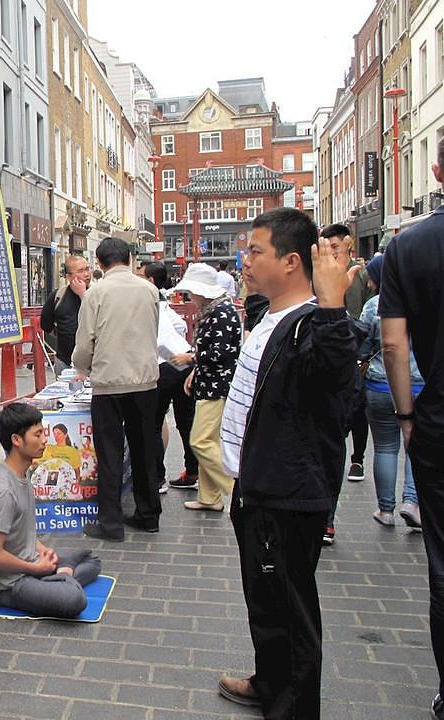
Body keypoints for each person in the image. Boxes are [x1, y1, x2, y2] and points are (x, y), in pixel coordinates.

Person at [217, 208, 358, 718]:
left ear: (292, 261)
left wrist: (335, 303)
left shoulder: (313, 326)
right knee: (265, 600)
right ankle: (269, 678)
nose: (245, 261)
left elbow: (338, 382)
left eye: (256, 251)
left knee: (290, 613)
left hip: (285, 494)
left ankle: (292, 704)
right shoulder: (268, 315)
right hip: (255, 487)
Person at [379, 137, 444, 720]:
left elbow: (394, 342)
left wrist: (406, 415)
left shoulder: (411, 245)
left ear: (437, 169)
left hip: (438, 415)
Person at [73, 236, 161, 539]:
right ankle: (149, 515)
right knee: (144, 450)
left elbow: (85, 342)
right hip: (145, 382)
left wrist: (81, 369)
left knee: (109, 453)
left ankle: (110, 523)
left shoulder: (96, 293)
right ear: (130, 259)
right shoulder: (150, 290)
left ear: (99, 263)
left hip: (109, 384)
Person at [0, 403, 101, 617]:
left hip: (30, 563)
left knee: (92, 560)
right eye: (38, 435)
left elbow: (18, 530)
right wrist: (36, 569)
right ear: (16, 440)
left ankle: (61, 576)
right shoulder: (3, 492)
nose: (45, 440)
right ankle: (62, 579)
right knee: (75, 600)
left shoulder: (22, 474)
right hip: (10, 584)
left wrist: (41, 549)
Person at [358, 254, 423, 529]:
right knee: (415, 447)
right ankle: (412, 501)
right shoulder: (423, 300)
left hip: (380, 385)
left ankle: (386, 510)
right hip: (420, 384)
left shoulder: (374, 306)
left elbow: (363, 345)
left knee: (385, 446)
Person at [170, 263, 241, 512]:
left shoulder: (220, 312)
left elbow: (219, 352)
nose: (190, 297)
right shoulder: (219, 309)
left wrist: (191, 359)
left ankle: (234, 487)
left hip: (216, 385)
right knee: (209, 440)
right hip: (212, 381)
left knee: (200, 440)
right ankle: (210, 496)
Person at [320, 223, 372, 489]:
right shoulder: (320, 275)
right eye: (327, 249)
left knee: (358, 409)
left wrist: (366, 353)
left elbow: (369, 309)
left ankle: (358, 458)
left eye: (336, 247)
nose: (333, 253)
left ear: (348, 243)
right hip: (333, 347)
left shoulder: (361, 274)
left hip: (358, 349)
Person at [143, 261, 199, 492]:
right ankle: (192, 472)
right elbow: (180, 326)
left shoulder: (144, 301)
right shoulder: (162, 303)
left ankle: (157, 478)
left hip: (164, 364)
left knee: (153, 423)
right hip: (183, 360)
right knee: (186, 422)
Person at [40, 255, 91, 373]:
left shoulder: (98, 293)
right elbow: (46, 324)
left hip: (93, 362)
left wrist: (83, 295)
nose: (86, 274)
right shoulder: (58, 295)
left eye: (87, 269)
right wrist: (62, 333)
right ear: (68, 276)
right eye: (80, 271)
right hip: (64, 359)